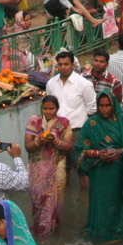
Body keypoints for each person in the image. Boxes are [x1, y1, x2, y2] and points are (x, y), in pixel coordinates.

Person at [78, 91, 123, 241]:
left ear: (113, 105)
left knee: (117, 200)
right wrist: (97, 153)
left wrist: (119, 152)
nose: (104, 109)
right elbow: (80, 149)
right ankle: (100, 232)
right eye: (101, 105)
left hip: (119, 171)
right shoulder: (91, 124)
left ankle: (118, 231)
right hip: (99, 174)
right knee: (101, 203)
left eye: (108, 105)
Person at [25, 95, 74, 237]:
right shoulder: (34, 122)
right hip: (37, 168)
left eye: (51, 108)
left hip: (57, 164)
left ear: (57, 109)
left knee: (57, 196)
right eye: (45, 108)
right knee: (38, 197)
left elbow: (68, 147)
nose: (48, 112)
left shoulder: (64, 123)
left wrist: (55, 141)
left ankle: (53, 227)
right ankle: (39, 227)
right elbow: (28, 146)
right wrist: (39, 141)